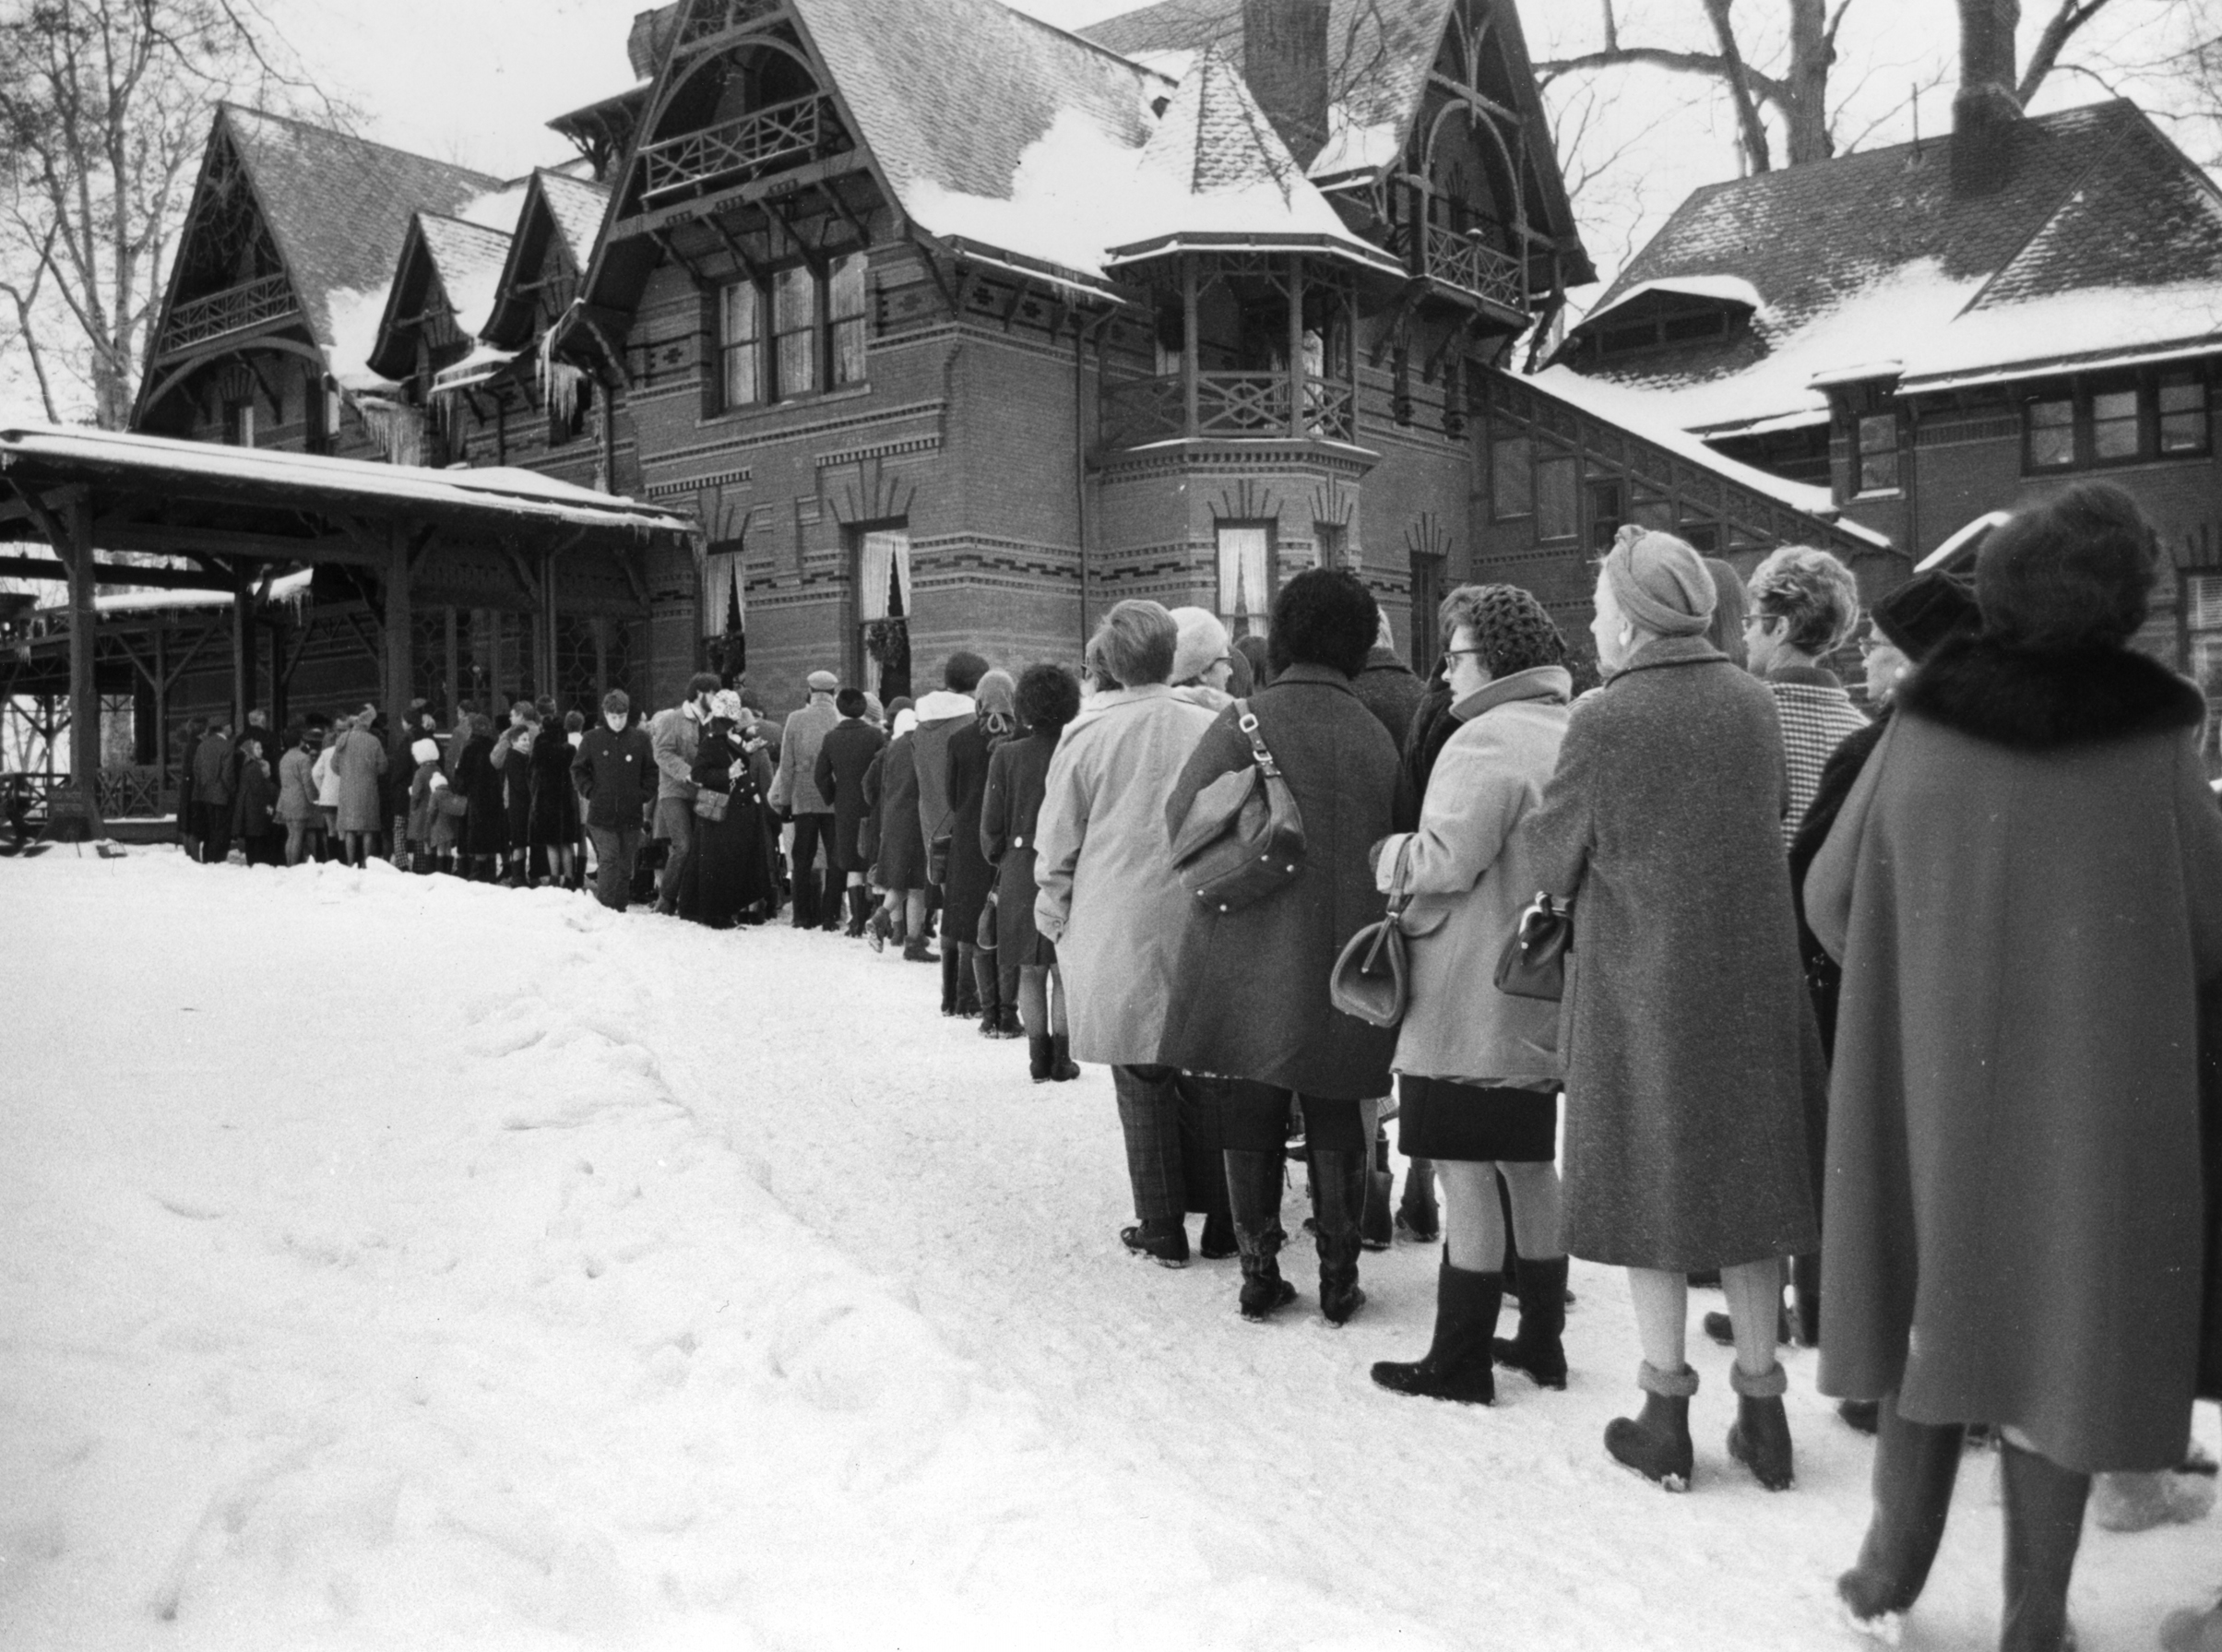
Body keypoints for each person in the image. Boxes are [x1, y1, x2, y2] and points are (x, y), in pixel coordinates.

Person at [1807, 482, 2222, 1649]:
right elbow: (2208, 928)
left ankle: (1887, 1572)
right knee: (2061, 1338)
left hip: (1931, 1086)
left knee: (1927, 1313)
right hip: (2092, 1108)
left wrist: (1919, 975)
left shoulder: (1924, 730)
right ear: (2122, 606)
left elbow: (1831, 899)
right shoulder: (2155, 748)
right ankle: (2035, 1611)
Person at [1523, 526, 1821, 1492]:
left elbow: (1550, 856)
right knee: (1747, 1191)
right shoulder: (1752, 701)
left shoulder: (1605, 717)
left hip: (1641, 985)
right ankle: (1765, 1412)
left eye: (1604, 607)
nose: (1595, 624)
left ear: (1637, 617)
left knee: (1653, 1190)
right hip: (1749, 979)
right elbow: (1772, 805)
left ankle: (1665, 1415)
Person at [1158, 569, 1413, 1322]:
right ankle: (1339, 1276)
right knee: (1336, 1097)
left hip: (1249, 935)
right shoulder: (1375, 733)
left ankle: (1258, 1270)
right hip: (1346, 953)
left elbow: (1182, 816)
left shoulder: (1241, 720)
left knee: (1250, 1093)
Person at [1767, 568, 1982, 1411]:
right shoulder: (2001, 746)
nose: (1871, 670)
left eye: (1888, 654)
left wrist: (1862, 962)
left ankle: (1857, 1352)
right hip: (1956, 1003)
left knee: (1858, 1171)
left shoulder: (1880, 748)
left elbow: (1814, 885)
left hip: (1857, 989)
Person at [1367, 585, 1573, 1403]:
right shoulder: (1568, 726)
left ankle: (1458, 1362)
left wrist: (1387, 857)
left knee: (1460, 1165)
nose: (1444, 673)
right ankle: (1541, 1341)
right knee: (1526, 1160)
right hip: (1534, 980)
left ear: (1490, 661)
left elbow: (1446, 860)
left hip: (1465, 985)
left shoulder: (1484, 738)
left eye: (1452, 657)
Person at [1035, 601, 1218, 1266]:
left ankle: (1161, 1221)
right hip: (1197, 906)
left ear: (1107, 662)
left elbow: (1057, 838)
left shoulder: (1085, 735)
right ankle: (1219, 1211)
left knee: (1140, 1068)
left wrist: (1050, 907)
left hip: (1115, 914)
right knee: (1198, 1060)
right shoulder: (1207, 723)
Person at [983, 663, 1084, 1082]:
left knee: (1029, 968)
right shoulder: (1078, 748)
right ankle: (1063, 1057)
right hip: (1073, 864)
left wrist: (1001, 861)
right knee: (1063, 969)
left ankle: (1037, 1059)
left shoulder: (1006, 755)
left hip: (1022, 867)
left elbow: (991, 831)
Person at [1744, 545, 1870, 850]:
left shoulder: (1743, 718)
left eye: (1750, 621)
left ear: (1780, 628)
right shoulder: (1863, 731)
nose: (1745, 636)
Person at [945, 670, 1017, 1033]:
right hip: (1006, 842)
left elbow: (951, 797)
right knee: (1003, 922)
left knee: (972, 922)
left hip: (968, 842)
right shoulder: (1023, 737)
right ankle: (1004, 1010)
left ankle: (969, 1001)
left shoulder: (959, 740)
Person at [916, 651, 988, 1011]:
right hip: (962, 823)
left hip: (930, 823)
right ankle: (965, 995)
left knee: (949, 909)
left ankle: (949, 994)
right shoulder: (967, 723)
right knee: (969, 912)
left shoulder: (920, 721)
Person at [681, 689, 779, 927]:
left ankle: (722, 912)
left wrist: (748, 750)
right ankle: (718, 914)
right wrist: (728, 773)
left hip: (728, 813)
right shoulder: (714, 739)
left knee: (724, 863)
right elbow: (699, 773)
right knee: (722, 864)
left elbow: (726, 760)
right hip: (723, 813)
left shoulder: (721, 737)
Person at [571, 689, 656, 910]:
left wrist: (643, 794)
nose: (617, 722)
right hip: (601, 814)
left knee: (626, 864)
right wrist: (590, 791)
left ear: (628, 714)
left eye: (621, 716)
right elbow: (578, 769)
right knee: (609, 859)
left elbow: (651, 771)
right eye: (613, 717)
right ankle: (606, 909)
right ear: (605, 715)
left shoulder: (640, 739)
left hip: (631, 814)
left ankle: (620, 908)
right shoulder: (592, 739)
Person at [813, 686, 888, 937]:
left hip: (844, 806)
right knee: (872, 859)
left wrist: (833, 795)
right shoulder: (876, 736)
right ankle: (874, 919)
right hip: (872, 804)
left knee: (852, 863)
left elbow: (820, 774)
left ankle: (856, 921)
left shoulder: (831, 738)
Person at [771, 671, 842, 929]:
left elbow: (786, 765)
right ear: (833, 693)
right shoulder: (839, 719)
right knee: (835, 858)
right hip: (833, 798)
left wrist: (785, 801)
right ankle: (830, 916)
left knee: (802, 856)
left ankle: (801, 916)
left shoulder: (795, 719)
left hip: (802, 797)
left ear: (811, 692)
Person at [649, 672, 719, 914]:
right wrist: (688, 772)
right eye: (713, 693)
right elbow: (662, 753)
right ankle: (666, 899)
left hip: (704, 793)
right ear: (700, 693)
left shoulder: (714, 721)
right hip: (674, 791)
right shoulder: (672, 719)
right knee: (684, 845)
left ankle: (690, 901)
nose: (717, 698)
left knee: (702, 846)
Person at [864, 707, 931, 959]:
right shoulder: (921, 743)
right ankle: (913, 943)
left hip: (892, 818)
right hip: (916, 818)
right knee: (917, 885)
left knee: (902, 880)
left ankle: (883, 918)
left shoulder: (891, 748)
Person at [529, 705, 582, 891]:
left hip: (546, 800)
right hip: (567, 800)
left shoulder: (540, 748)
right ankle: (569, 879)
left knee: (551, 843)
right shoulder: (570, 750)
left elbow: (533, 775)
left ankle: (553, 877)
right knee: (566, 843)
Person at [449, 713, 507, 882]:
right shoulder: (493, 743)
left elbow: (462, 775)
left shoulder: (469, 746)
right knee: (490, 834)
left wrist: (459, 788)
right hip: (494, 794)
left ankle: (478, 873)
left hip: (476, 796)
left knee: (478, 835)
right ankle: (490, 872)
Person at [330, 707, 387, 869]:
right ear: (367, 725)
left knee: (349, 829)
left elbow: (334, 765)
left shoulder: (343, 739)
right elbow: (383, 767)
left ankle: (350, 863)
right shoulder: (373, 741)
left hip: (347, 790)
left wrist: (347, 773)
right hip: (368, 790)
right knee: (368, 828)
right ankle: (366, 863)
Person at [493, 703, 540, 885]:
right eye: (523, 740)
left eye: (528, 740)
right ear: (513, 742)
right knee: (519, 842)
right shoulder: (514, 757)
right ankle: (517, 876)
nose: (527, 743)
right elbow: (520, 784)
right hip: (517, 805)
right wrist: (531, 794)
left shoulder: (522, 756)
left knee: (522, 841)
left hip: (522, 804)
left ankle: (519, 874)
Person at [277, 723, 321, 867]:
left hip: (285, 800)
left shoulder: (284, 758)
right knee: (298, 835)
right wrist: (313, 799)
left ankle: (289, 864)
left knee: (291, 835)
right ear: (300, 741)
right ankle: (293, 866)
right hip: (299, 800)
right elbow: (307, 782)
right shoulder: (303, 758)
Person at [191, 718, 235, 863]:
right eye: (230, 725)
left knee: (209, 830)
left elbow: (196, 770)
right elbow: (227, 775)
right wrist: (233, 791)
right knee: (221, 831)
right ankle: (218, 861)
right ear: (224, 727)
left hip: (204, 795)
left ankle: (207, 859)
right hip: (222, 795)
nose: (232, 728)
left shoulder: (202, 746)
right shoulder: (227, 746)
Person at [232, 731, 279, 865]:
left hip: (251, 809)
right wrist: (268, 806)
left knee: (252, 839)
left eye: (261, 748)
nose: (261, 751)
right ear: (250, 750)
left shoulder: (248, 766)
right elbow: (260, 791)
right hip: (255, 810)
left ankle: (254, 863)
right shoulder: (254, 767)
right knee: (256, 839)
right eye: (257, 748)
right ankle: (257, 864)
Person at [175, 716, 207, 860]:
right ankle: (194, 859)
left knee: (188, 827)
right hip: (195, 790)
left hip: (187, 789)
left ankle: (190, 859)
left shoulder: (189, 745)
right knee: (194, 828)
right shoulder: (199, 746)